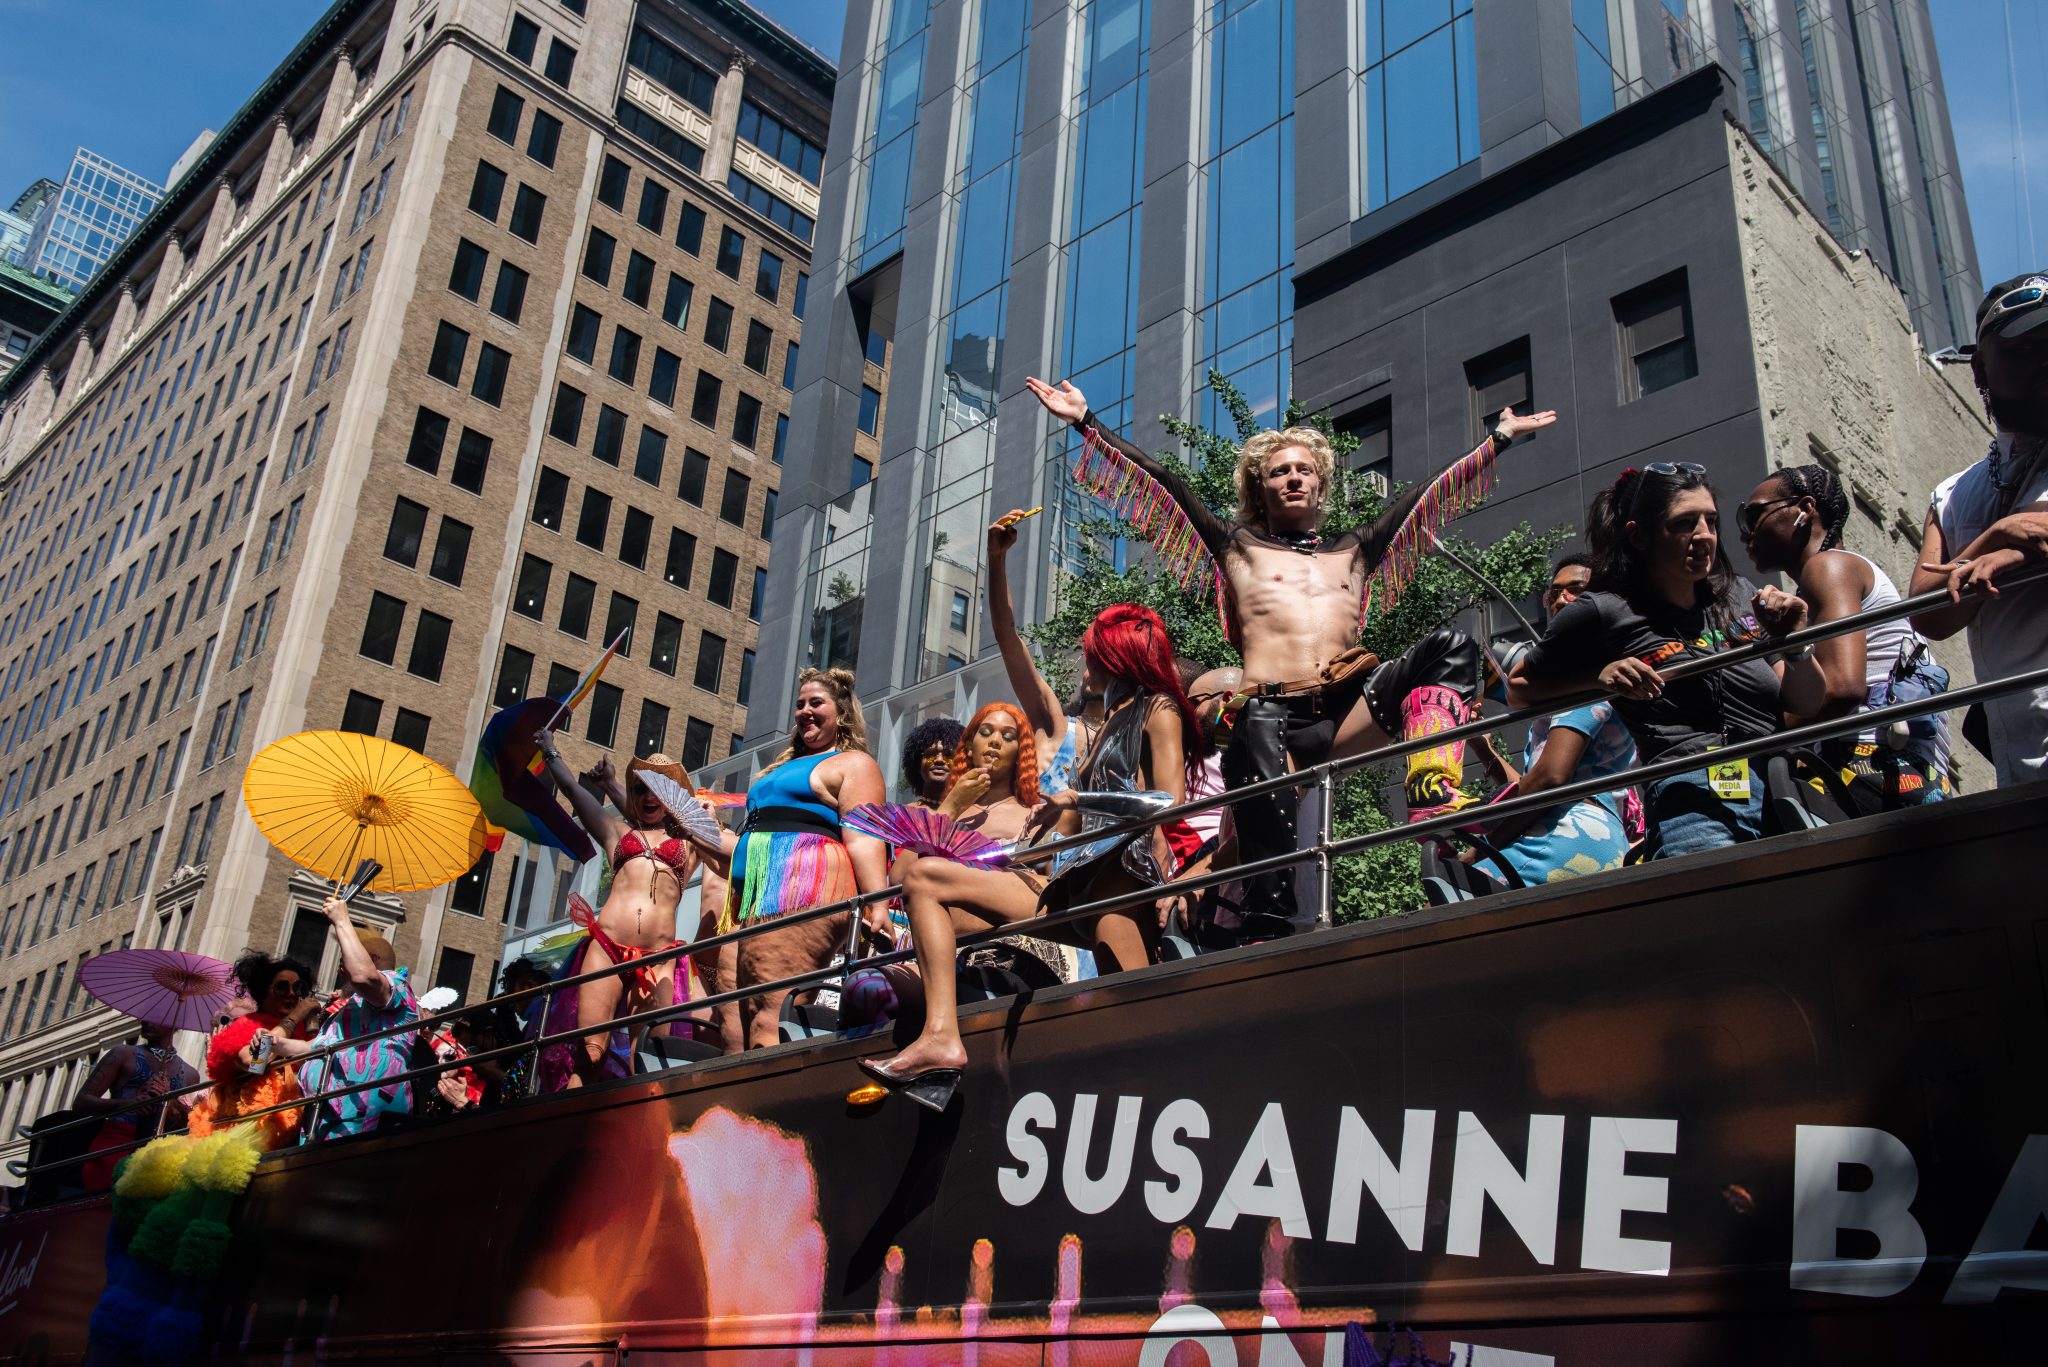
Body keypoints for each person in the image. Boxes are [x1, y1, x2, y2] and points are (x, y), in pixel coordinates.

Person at [1026, 376, 1557, 935]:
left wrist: (1498, 438)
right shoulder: (1236, 546)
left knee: (1452, 648)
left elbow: (1425, 496)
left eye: (1305, 469)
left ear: (1321, 486)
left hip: (1348, 711)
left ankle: (1433, 798)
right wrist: (1087, 423)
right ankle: (1261, 917)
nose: (1294, 477)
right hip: (1271, 723)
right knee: (1261, 766)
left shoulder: (1355, 548)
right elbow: (1165, 483)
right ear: (1260, 490)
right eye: (1280, 471)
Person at [859, 604, 1199, 1109]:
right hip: (1071, 883)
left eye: (1092, 656)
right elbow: (1077, 818)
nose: (1085, 668)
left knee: (1131, 1028)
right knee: (926, 878)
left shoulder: (1159, 708)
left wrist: (1075, 799)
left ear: (1117, 657)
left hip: (1118, 887)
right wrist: (1045, 832)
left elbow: (1171, 802)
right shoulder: (1107, 722)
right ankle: (941, 1038)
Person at [1511, 464, 1826, 856]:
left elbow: (1806, 704)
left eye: (1711, 521)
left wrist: (1794, 641)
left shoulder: (1737, 594)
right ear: (1639, 535)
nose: (1704, 535)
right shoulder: (1603, 610)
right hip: (1694, 797)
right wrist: (1599, 676)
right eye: (1684, 523)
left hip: (1782, 787)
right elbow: (1518, 688)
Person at [1741, 463, 1952, 813]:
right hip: (1904, 771)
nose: (1745, 534)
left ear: (1805, 509)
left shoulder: (1829, 566)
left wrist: (1756, 739)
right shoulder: (1832, 577)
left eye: (1752, 515)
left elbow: (1841, 688)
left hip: (1865, 764)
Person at [1910, 271, 2048, 788]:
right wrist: (1997, 536)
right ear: (1981, 367)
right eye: (2025, 348)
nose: (2045, 360)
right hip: (2021, 755)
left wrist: (2015, 538)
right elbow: (1927, 612)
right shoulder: (1952, 494)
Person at [717, 668, 892, 1052]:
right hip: (755, 896)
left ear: (841, 711)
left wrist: (878, 903)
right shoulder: (783, 768)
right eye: (800, 704)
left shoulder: (852, 763)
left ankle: (776, 1089)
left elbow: (864, 837)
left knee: (770, 1013)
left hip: (803, 882)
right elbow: (747, 845)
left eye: (816, 703)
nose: (805, 711)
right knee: (739, 1018)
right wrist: (694, 830)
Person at [531, 746, 711, 1087]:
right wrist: (550, 750)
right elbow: (572, 789)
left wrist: (704, 816)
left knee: (647, 1060)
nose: (649, 796)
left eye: (658, 788)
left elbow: (725, 852)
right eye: (641, 788)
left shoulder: (690, 841)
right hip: (607, 949)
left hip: (658, 958)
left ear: (672, 795)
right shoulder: (617, 833)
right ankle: (573, 1118)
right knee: (590, 1053)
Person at [1468, 554, 1640, 884]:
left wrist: (1482, 850)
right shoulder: (1583, 675)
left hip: (1567, 831)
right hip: (1582, 834)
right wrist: (1484, 749)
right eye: (1555, 593)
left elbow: (1550, 779)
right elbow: (1536, 781)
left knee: (1449, 901)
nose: (1562, 599)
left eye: (1576, 590)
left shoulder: (1596, 670)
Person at [987, 511, 1102, 795]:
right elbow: (1007, 638)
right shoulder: (1055, 726)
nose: (1089, 672)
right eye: (1090, 663)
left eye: (1104, 661)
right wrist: (996, 558)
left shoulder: (1143, 737)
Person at [296, 898, 421, 1138]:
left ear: (370, 959)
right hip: (324, 1117)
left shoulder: (397, 986)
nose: (341, 971)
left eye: (344, 961)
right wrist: (276, 1042)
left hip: (363, 1120)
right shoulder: (350, 1007)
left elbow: (363, 977)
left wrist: (342, 920)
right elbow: (317, 1047)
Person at [187, 951, 321, 1149]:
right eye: (282, 987)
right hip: (252, 1127)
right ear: (263, 991)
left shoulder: (303, 1031)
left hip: (300, 1126)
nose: (292, 994)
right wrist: (293, 1018)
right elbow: (255, 1063)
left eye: (298, 987)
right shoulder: (247, 1024)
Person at [74, 1022, 202, 1190]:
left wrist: (169, 1101)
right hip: (116, 1142)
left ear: (174, 1024)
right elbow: (81, 1102)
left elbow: (186, 1123)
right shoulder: (123, 1054)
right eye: (146, 1016)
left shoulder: (191, 1075)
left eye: (156, 1017)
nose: (146, 1021)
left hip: (159, 1149)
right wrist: (128, 1104)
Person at [900, 717, 965, 809]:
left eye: (948, 755)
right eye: (930, 754)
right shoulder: (902, 814)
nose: (939, 760)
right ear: (918, 764)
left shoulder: (973, 814)